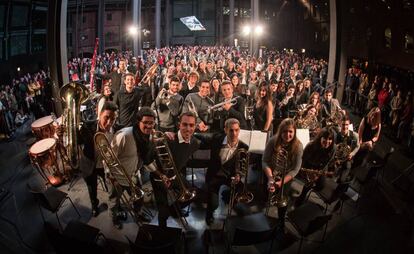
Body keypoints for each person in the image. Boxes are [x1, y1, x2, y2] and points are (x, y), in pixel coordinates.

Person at [57, 101, 117, 217]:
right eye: (106, 117)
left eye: (113, 119)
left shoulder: (116, 129)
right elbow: (76, 139)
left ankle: (114, 205)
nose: (109, 122)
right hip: (90, 165)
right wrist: (62, 133)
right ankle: (94, 205)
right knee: (91, 188)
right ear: (99, 115)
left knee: (112, 187)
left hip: (106, 166)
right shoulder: (87, 127)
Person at [109, 107, 157, 228]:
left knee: (139, 198)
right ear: (138, 122)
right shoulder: (124, 135)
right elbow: (108, 157)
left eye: (151, 123)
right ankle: (114, 219)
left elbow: (145, 158)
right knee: (114, 202)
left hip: (134, 176)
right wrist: (110, 175)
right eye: (145, 122)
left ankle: (138, 214)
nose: (149, 126)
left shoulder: (149, 136)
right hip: (117, 177)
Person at [151, 112, 200, 227]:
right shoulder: (166, 140)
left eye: (191, 125)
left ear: (195, 126)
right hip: (159, 178)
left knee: (191, 194)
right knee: (163, 214)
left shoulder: (195, 143)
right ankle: (163, 229)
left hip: (175, 176)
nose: (188, 129)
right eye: (185, 124)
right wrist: (161, 176)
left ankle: (173, 210)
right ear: (179, 125)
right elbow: (148, 161)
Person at [197, 118, 249, 225]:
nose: (234, 133)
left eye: (236, 130)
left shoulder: (244, 147)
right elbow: (201, 136)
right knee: (214, 204)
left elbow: (243, 166)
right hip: (215, 175)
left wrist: (239, 175)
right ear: (225, 130)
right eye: (231, 130)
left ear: (239, 130)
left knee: (239, 191)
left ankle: (227, 196)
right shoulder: (216, 139)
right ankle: (209, 215)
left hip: (231, 176)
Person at [263, 118, 303, 227]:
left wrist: (281, 182)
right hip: (271, 171)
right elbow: (265, 161)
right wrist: (270, 178)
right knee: (266, 191)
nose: (287, 134)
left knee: (283, 199)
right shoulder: (272, 141)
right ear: (280, 131)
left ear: (294, 132)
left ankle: (281, 220)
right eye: (284, 131)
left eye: (290, 131)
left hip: (286, 175)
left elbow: (296, 169)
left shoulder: (298, 146)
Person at [294, 127, 337, 208]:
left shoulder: (333, 148)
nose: (327, 142)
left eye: (330, 139)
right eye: (325, 138)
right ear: (320, 137)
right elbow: (303, 160)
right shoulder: (310, 145)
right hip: (309, 165)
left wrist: (318, 175)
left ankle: (309, 188)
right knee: (308, 184)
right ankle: (302, 197)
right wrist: (306, 173)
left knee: (321, 186)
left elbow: (326, 163)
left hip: (321, 167)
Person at [335, 116, 360, 182]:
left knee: (347, 167)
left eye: (347, 125)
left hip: (347, 158)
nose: (345, 127)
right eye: (343, 124)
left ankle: (341, 180)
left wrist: (352, 154)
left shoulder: (355, 135)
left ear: (349, 125)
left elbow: (358, 146)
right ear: (340, 124)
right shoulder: (337, 132)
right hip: (336, 156)